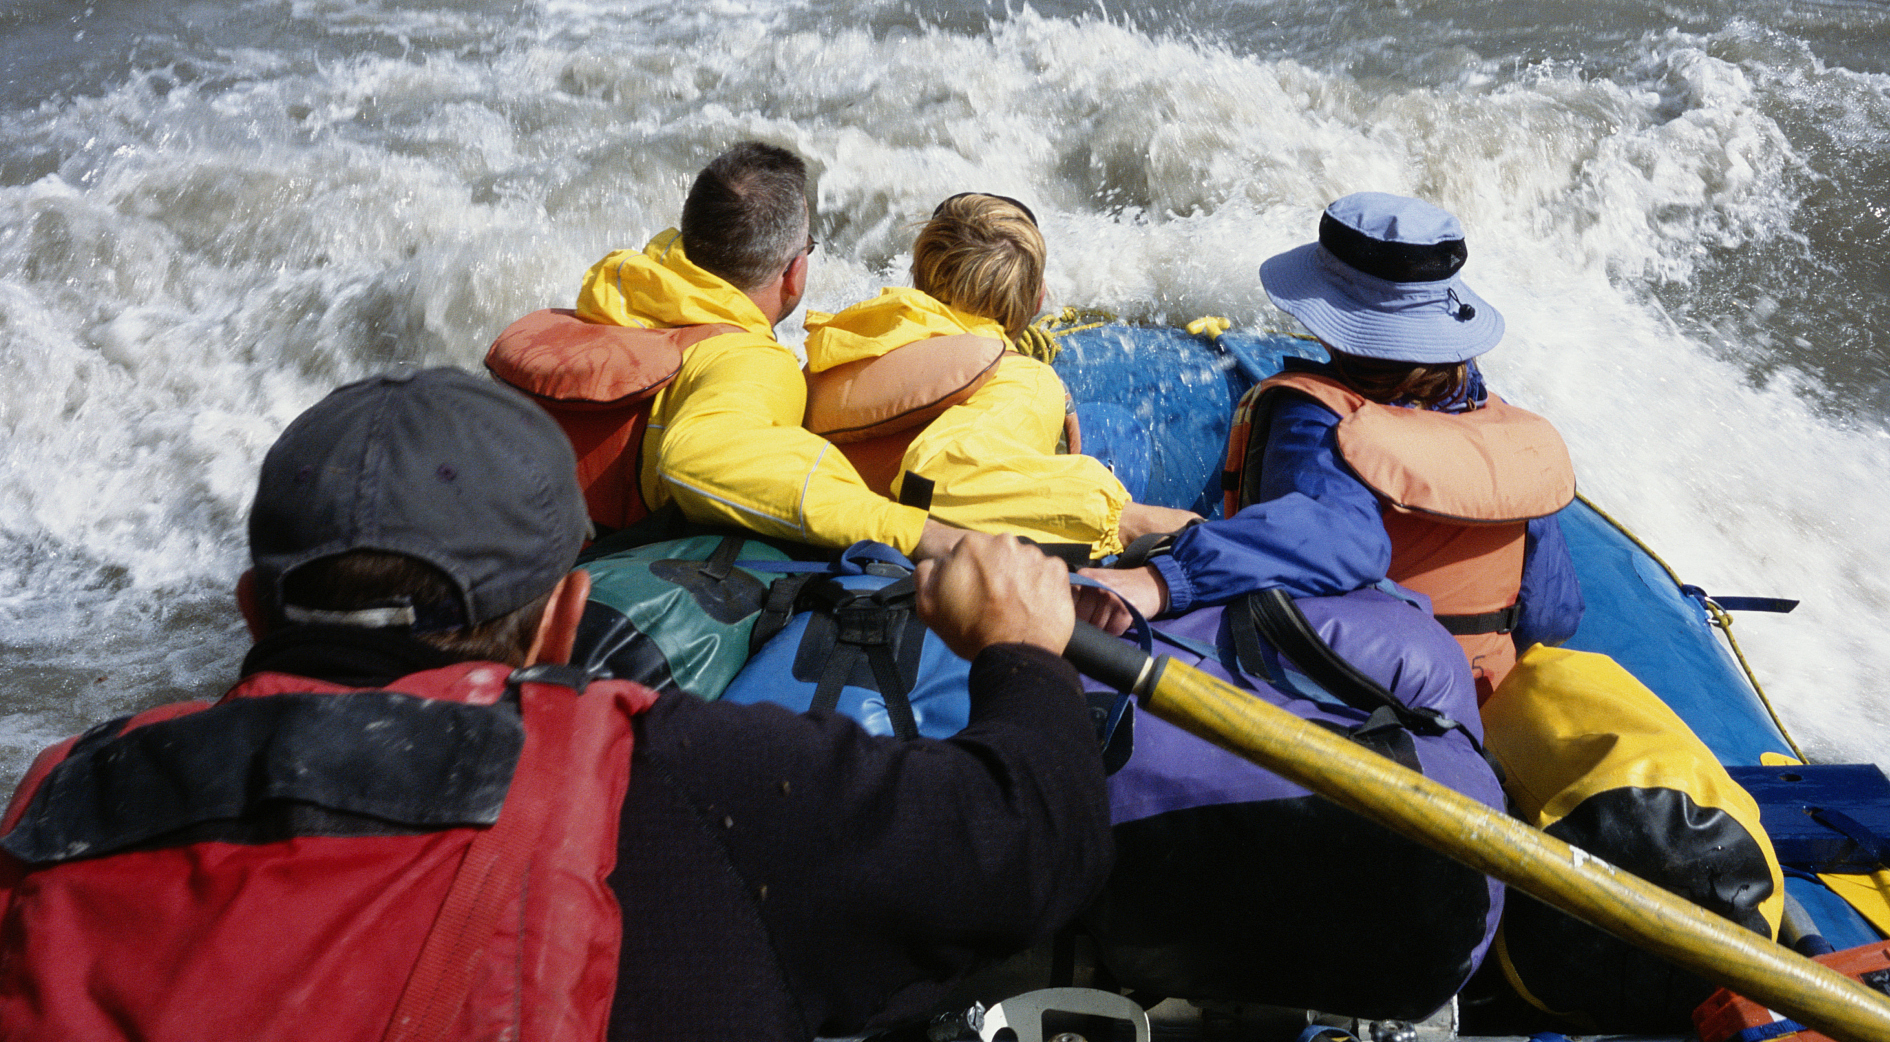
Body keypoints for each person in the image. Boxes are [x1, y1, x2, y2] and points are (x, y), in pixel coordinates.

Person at [0, 369, 1113, 1042]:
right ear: (566, 616)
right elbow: (1034, 836)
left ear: (253, 609)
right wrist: (1020, 644)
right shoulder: (676, 778)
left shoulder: (62, 801)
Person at [1080, 192, 1581, 702]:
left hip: (1358, 693)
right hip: (1470, 704)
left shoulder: (1322, 418)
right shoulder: (1507, 439)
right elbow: (1552, 615)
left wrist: (1164, 579)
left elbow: (1334, 540)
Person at [574, 140, 964, 558]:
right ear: (794, 272)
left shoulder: (609, 298)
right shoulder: (750, 361)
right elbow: (692, 458)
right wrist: (915, 532)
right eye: (807, 245)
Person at [802, 191, 1200, 558]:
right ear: (1037, 300)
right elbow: (938, 478)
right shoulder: (1025, 381)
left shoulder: (852, 339)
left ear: (918, 276)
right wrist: (1125, 519)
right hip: (911, 554)